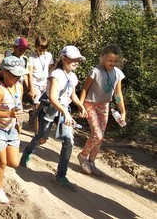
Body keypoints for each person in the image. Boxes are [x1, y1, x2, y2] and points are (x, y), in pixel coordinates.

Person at [19, 45, 88, 192]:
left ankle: (61, 176)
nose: (76, 62)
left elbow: (72, 94)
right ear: (64, 58)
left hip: (64, 110)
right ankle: (27, 152)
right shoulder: (56, 74)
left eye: (78, 60)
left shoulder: (73, 76)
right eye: (73, 59)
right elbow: (52, 97)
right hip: (50, 108)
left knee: (68, 141)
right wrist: (66, 112)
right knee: (42, 137)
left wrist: (80, 106)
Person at [0, 56, 29, 204]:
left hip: (11, 128)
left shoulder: (19, 86)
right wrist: (9, 114)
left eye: (19, 75)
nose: (17, 78)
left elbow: (18, 105)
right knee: (2, 162)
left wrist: (18, 122)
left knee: (14, 163)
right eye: (14, 75)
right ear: (5, 72)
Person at [77, 44, 126, 176]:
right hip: (90, 104)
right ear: (103, 58)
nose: (113, 63)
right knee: (97, 134)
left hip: (104, 106)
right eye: (110, 60)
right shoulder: (95, 71)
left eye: (115, 61)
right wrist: (81, 106)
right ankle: (83, 156)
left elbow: (118, 94)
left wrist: (123, 111)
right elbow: (85, 89)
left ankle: (92, 162)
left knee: (101, 137)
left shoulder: (118, 73)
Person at [27, 36, 54, 135]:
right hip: (35, 84)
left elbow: (51, 70)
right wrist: (31, 88)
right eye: (40, 49)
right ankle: (37, 134)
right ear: (36, 47)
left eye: (44, 49)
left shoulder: (49, 55)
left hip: (45, 84)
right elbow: (29, 74)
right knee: (37, 106)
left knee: (45, 108)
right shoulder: (31, 56)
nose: (42, 51)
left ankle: (32, 114)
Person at [4, 36, 30, 134]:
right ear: (14, 47)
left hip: (19, 87)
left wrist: (29, 87)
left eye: (24, 49)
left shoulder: (25, 59)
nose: (22, 51)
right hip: (8, 86)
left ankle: (17, 127)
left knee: (18, 106)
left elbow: (26, 75)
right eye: (20, 48)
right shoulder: (9, 56)